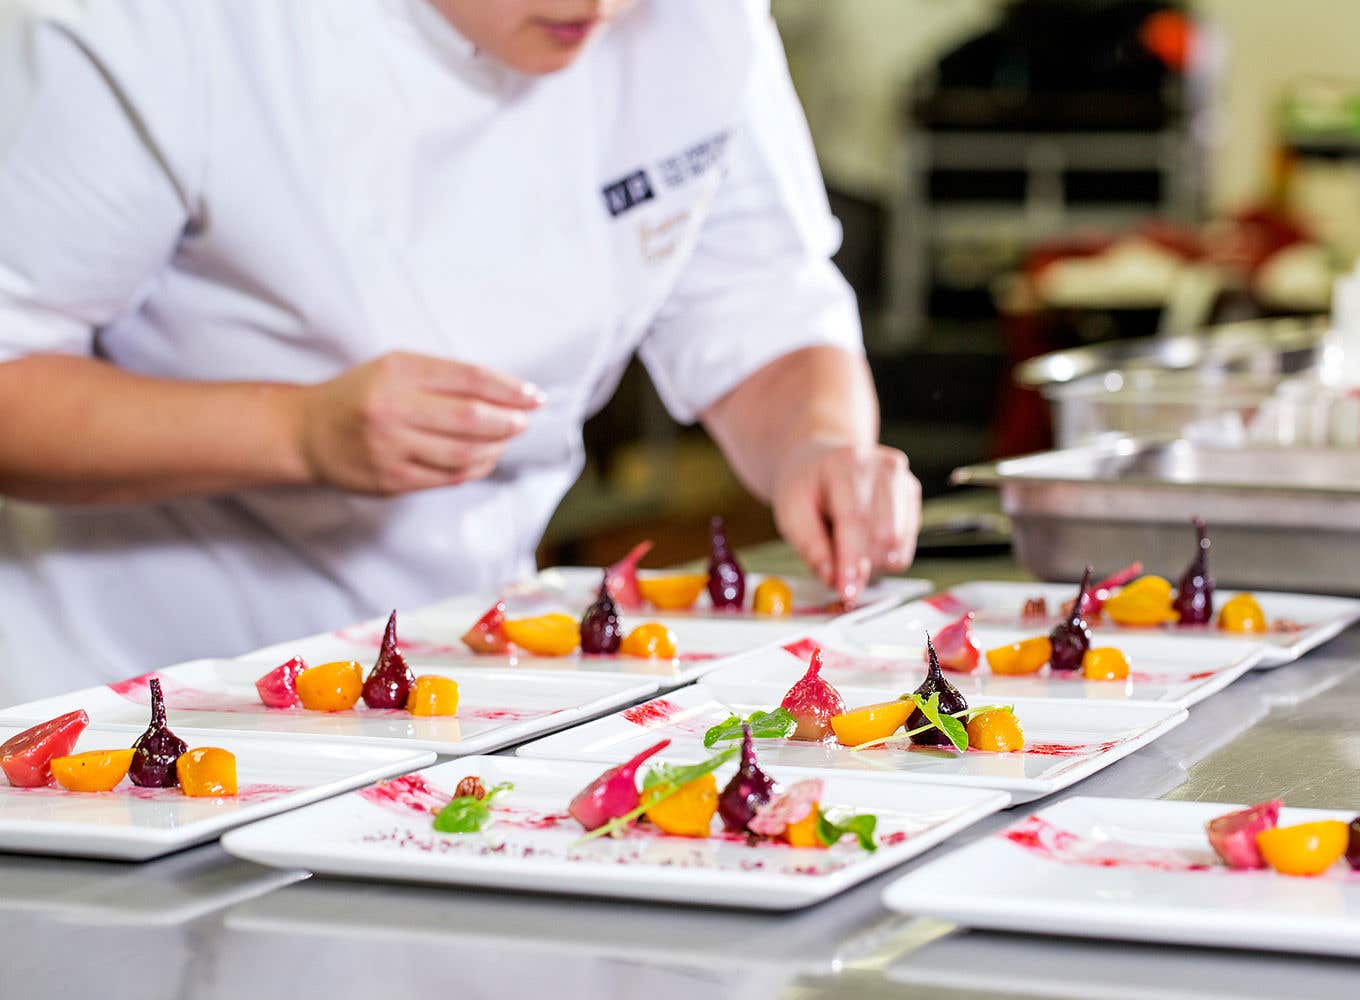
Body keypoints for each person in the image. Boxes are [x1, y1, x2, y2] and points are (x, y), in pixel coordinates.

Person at [0, 0, 921, 705]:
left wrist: (819, 447)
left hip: (454, 672)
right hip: (130, 683)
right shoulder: (156, 29)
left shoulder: (693, 21)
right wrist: (297, 433)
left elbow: (759, 299)